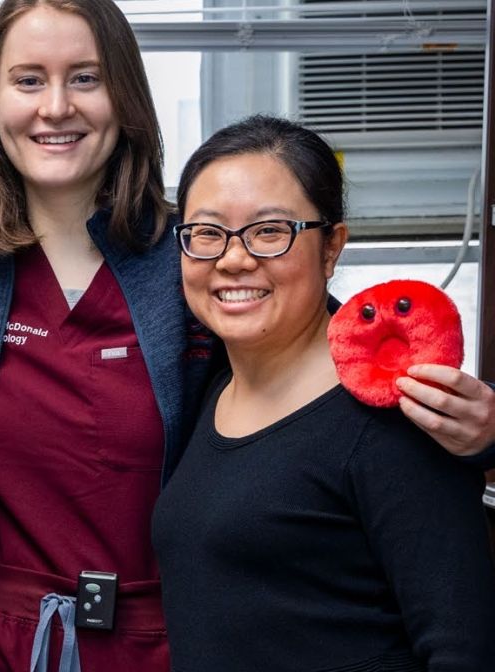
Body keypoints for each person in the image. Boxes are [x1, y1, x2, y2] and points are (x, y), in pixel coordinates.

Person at [0, 2, 495, 671]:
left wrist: (479, 437)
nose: (55, 107)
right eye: (28, 80)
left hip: (168, 639)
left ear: (125, 96)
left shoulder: (196, 255)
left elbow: (335, 366)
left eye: (85, 77)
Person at [150, 115, 495, 671]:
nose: (233, 258)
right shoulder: (210, 391)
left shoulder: (390, 420)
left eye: (269, 231)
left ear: (331, 248)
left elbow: (463, 649)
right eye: (207, 233)